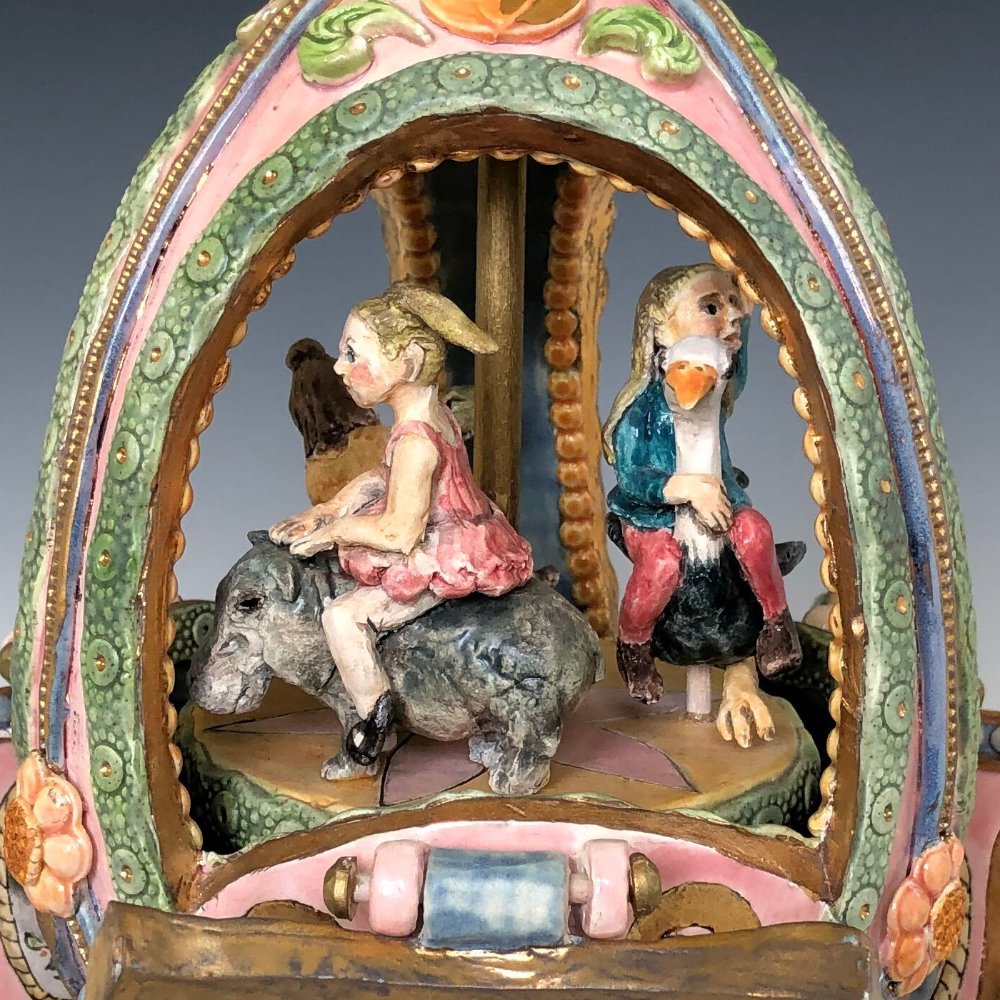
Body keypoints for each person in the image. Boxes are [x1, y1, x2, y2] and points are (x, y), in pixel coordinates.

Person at [270, 282, 533, 765]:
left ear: (408, 361)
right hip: (463, 528)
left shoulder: (416, 441)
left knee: (342, 617)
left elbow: (399, 533)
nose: (339, 367)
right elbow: (383, 475)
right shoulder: (429, 416)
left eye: (353, 354)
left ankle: (373, 723)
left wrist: (334, 533)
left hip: (442, 549)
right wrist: (331, 507)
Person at [602, 263, 801, 703]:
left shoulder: (719, 381)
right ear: (660, 330)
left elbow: (737, 366)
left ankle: (776, 623)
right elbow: (633, 477)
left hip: (719, 498)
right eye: (711, 307)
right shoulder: (643, 411)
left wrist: (747, 311)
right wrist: (688, 488)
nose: (730, 317)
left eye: (733, 306)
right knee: (660, 565)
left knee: (755, 532)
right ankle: (634, 645)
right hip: (652, 511)